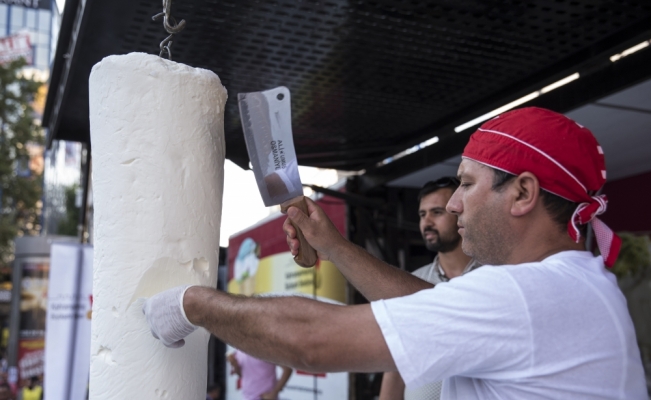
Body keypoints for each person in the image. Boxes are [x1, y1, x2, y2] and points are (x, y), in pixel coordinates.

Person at [143, 107, 647, 398]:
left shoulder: (530, 293)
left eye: (467, 184)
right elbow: (425, 303)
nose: (452, 203)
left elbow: (311, 341)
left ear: (522, 194)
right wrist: (333, 246)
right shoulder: (561, 285)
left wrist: (191, 305)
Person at [380, 177, 480, 400]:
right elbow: (397, 364)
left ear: (459, 211)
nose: (427, 222)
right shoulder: (411, 282)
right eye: (422, 215)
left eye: (437, 212)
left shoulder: (495, 275)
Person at [226, 350, 292, 400]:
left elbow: (287, 369)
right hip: (246, 397)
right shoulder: (239, 349)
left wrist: (273, 394)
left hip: (264, 398)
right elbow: (241, 374)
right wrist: (235, 365)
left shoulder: (265, 349)